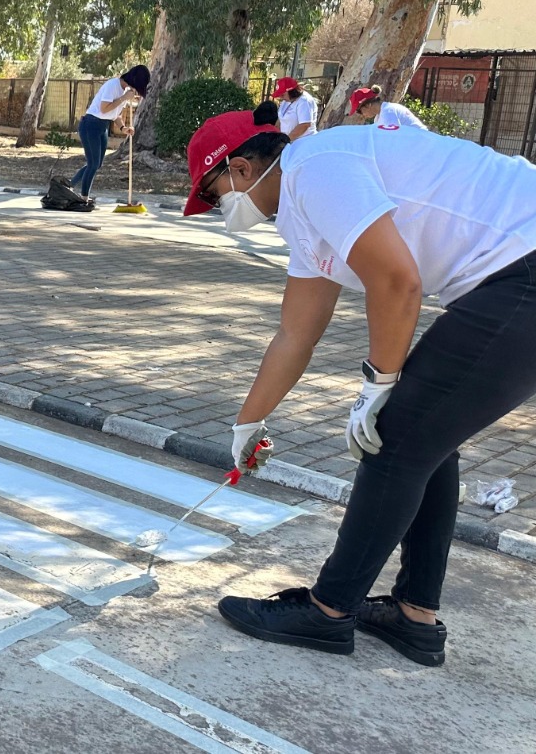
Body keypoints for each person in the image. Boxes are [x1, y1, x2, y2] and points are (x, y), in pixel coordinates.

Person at [181, 110, 536, 667]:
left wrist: (378, 385)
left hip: (524, 271)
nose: (217, 207)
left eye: (213, 192)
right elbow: (295, 335)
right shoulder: (303, 213)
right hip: (513, 276)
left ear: (241, 168)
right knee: (426, 434)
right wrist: (248, 423)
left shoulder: (315, 168)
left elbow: (396, 281)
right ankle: (414, 615)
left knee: (396, 435)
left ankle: (328, 612)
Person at [74, 65, 149, 199]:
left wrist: (123, 128)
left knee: (97, 164)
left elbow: (115, 114)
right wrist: (123, 98)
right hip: (91, 124)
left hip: (103, 126)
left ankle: (69, 185)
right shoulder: (113, 85)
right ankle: (84, 197)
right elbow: (104, 109)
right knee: (93, 164)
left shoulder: (125, 90)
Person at [348, 86, 428, 131]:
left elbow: (391, 140)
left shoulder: (388, 112)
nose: (362, 115)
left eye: (359, 111)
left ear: (368, 105)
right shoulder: (379, 116)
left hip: (422, 143)